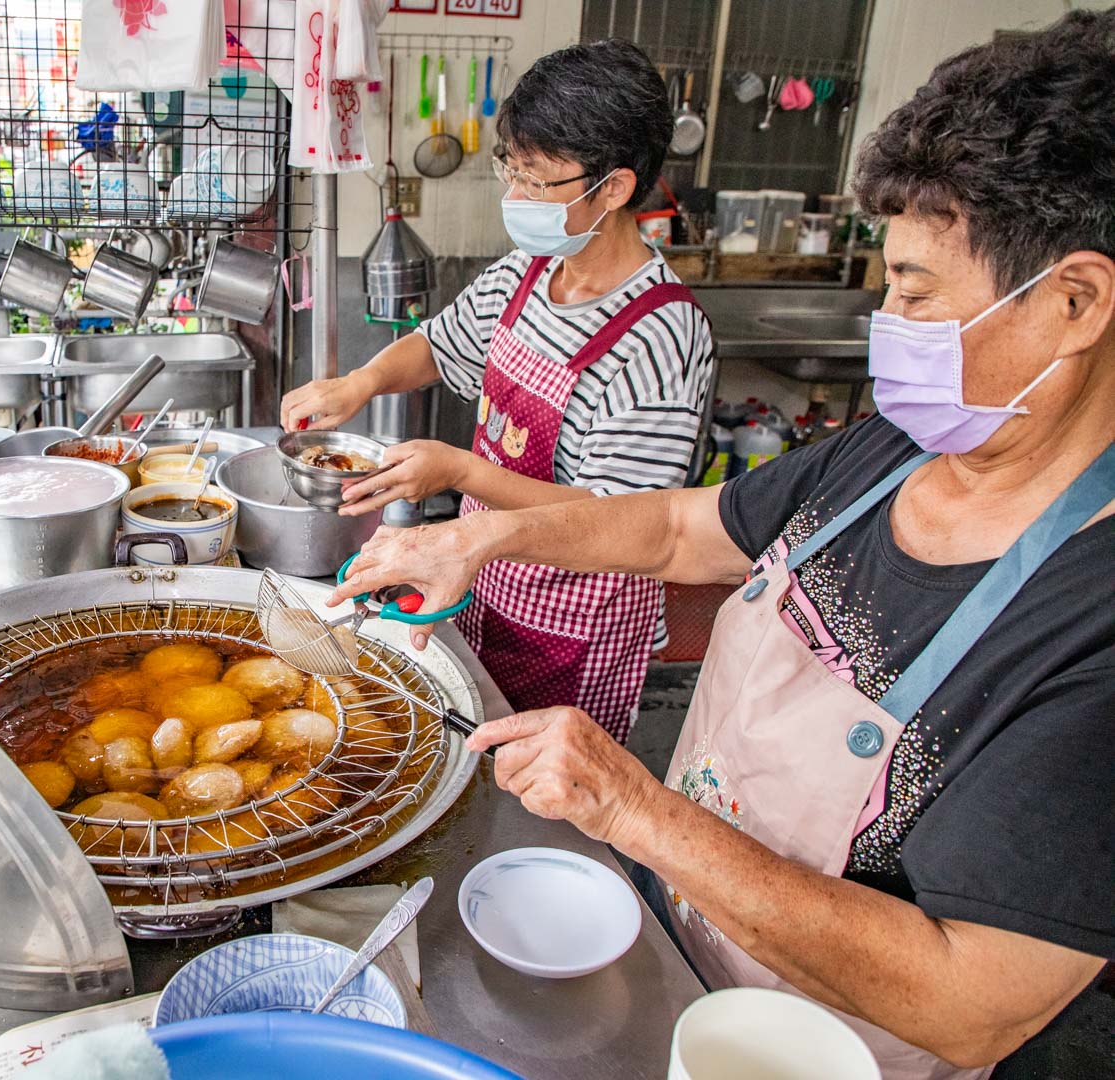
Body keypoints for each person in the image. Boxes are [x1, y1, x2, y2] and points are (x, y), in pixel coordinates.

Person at [330, 12, 1115, 1078]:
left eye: (919, 295)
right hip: (676, 955)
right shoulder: (886, 451)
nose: (891, 321)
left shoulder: (1088, 616)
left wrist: (633, 805)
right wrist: (475, 544)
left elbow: (972, 1001)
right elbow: (672, 525)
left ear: (1074, 301)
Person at [280, 40, 714, 745]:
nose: (515, 198)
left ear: (614, 188)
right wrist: (360, 382)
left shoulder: (659, 337)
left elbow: (629, 520)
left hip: (575, 620)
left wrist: (461, 472)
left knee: (543, 802)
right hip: (487, 575)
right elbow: (441, 341)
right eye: (510, 171)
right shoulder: (529, 272)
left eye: (537, 181)